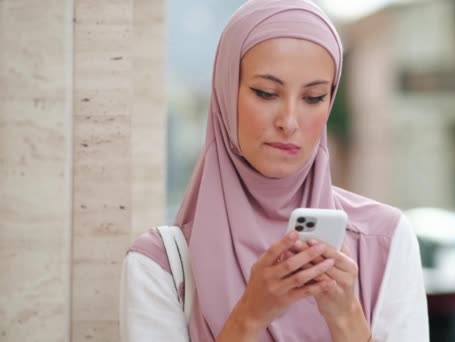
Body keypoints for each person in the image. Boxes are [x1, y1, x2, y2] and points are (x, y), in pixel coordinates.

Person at [119, 0, 428, 341]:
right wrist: (252, 314)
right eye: (266, 93)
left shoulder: (384, 241)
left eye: (313, 97)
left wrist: (346, 318)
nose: (289, 122)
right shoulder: (160, 264)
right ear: (225, 92)